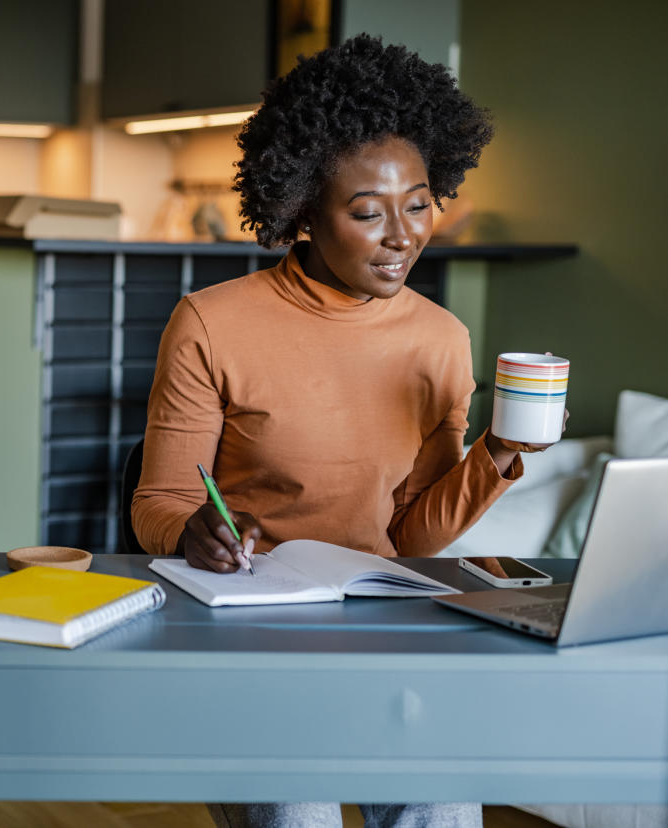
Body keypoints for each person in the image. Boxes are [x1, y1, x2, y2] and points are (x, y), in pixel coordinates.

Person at [131, 34, 562, 828]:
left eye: (419, 202)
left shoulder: (440, 339)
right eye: (367, 213)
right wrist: (192, 533)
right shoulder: (211, 324)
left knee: (441, 811)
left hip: (379, 620)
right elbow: (158, 499)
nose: (402, 234)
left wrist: (498, 452)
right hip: (248, 624)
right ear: (300, 210)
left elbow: (412, 534)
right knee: (298, 812)